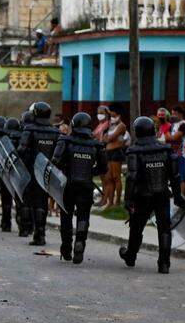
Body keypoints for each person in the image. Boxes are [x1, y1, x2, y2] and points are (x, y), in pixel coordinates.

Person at [120, 116, 185, 273]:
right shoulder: (165, 149)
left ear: (136, 132)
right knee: (164, 228)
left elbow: (132, 177)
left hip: (142, 196)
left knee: (136, 227)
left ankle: (131, 256)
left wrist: (128, 199)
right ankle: (164, 263)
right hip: (162, 194)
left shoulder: (134, 151)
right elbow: (175, 176)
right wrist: (178, 196)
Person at [52, 112, 106, 263]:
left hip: (68, 185)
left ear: (74, 125)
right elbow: (104, 168)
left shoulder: (65, 141)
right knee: (83, 216)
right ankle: (80, 243)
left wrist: (66, 168)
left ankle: (66, 247)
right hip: (86, 186)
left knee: (66, 216)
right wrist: (90, 172)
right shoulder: (96, 145)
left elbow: (55, 161)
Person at [17, 102, 60, 246]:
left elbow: (22, 150)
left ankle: (26, 229)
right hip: (47, 173)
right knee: (42, 202)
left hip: (30, 171)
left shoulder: (29, 129)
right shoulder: (55, 132)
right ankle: (40, 233)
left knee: (27, 200)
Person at [4, 116, 28, 235]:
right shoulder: (24, 136)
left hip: (10, 171)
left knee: (8, 199)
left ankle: (6, 223)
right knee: (24, 201)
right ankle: (27, 227)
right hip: (25, 172)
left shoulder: (6, 138)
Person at [101, 106, 127, 208]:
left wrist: (108, 139)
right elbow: (104, 139)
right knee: (109, 178)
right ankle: (110, 202)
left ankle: (117, 202)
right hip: (108, 153)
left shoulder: (121, 126)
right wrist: (108, 139)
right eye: (111, 116)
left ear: (119, 116)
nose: (112, 118)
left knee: (116, 177)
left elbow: (110, 138)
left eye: (113, 116)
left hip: (116, 153)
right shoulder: (110, 126)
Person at [166, 105, 185, 196]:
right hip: (173, 154)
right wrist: (169, 136)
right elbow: (168, 138)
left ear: (180, 114)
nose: (172, 116)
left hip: (182, 154)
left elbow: (174, 138)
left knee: (181, 177)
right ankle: (178, 195)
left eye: (174, 114)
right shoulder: (173, 125)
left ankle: (183, 197)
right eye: (172, 114)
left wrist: (168, 136)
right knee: (175, 176)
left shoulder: (184, 125)